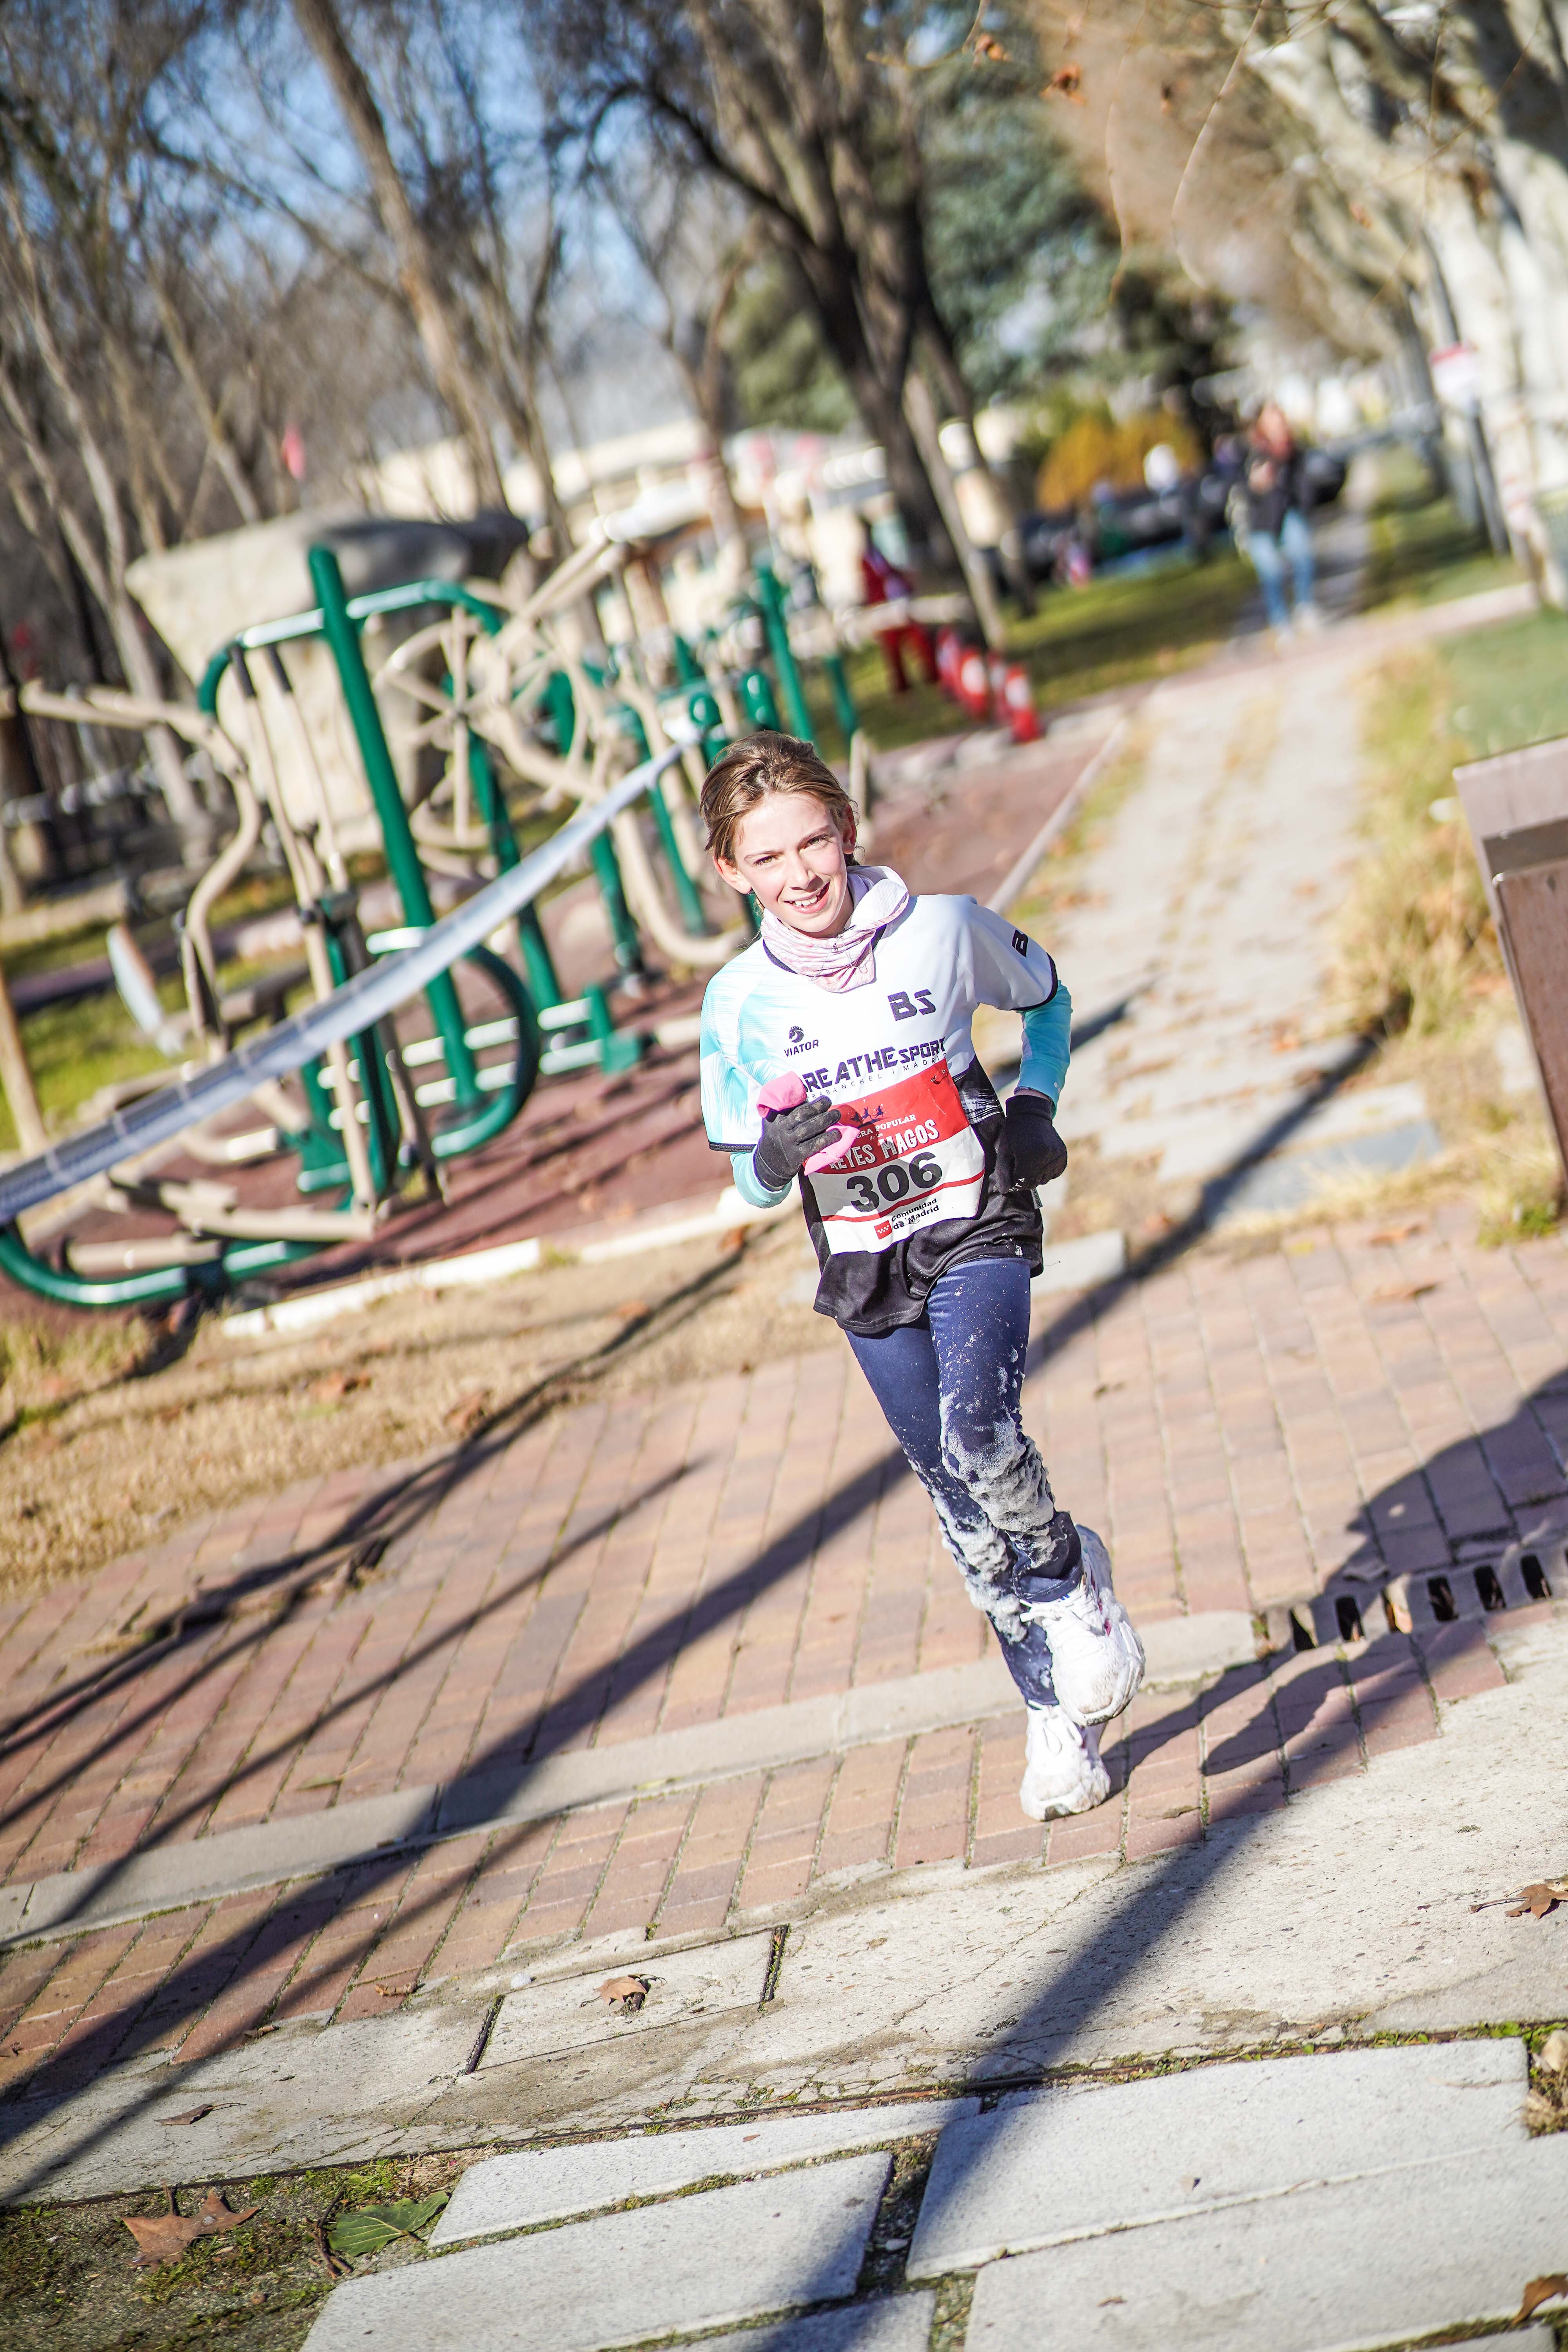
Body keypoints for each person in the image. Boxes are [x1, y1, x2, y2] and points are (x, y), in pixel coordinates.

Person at [697, 731, 1145, 1820]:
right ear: (730, 873)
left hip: (973, 1216)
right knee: (956, 1504)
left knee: (980, 1434)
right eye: (770, 859)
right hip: (862, 1262)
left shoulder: (939, 927)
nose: (803, 874)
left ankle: (1072, 1591)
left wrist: (1034, 1105)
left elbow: (1049, 999)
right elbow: (744, 1180)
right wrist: (773, 1158)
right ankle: (1053, 1718)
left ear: (848, 829)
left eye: (816, 841)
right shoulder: (736, 1003)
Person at [1237, 402, 1321, 639]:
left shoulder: (1293, 449)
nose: (1277, 423)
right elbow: (1240, 487)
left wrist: (1305, 504)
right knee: (1271, 572)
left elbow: (1304, 483)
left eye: (1279, 417)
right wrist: (1256, 483)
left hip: (1287, 512)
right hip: (1261, 521)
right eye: (1271, 418)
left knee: (1303, 553)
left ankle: (1306, 606)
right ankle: (1281, 622)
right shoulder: (1252, 450)